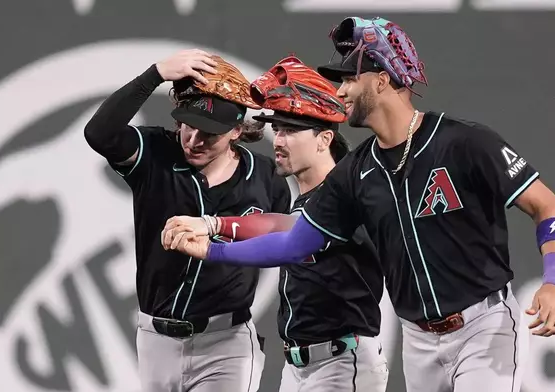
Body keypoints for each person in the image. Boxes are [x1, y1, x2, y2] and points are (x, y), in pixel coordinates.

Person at [162, 18, 555, 392]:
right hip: (418, 341)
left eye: (349, 78)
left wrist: (553, 281)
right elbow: (293, 242)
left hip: (484, 327)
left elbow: (547, 208)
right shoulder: (354, 173)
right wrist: (214, 247)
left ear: (381, 79)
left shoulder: (464, 142)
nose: (339, 90)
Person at [162, 55, 389, 392]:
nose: (279, 140)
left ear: (324, 139)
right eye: (278, 129)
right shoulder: (314, 197)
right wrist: (213, 224)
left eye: (292, 130)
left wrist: (213, 250)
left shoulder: (344, 191)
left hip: (341, 363)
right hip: (302, 367)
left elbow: (289, 243)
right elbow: (282, 225)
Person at [83, 49, 291, 392]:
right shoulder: (155, 154)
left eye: (208, 133)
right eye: (188, 127)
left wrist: (218, 233)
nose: (193, 141)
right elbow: (98, 133)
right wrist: (155, 73)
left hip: (227, 340)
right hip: (156, 338)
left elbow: (282, 240)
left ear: (236, 131)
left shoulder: (265, 177)